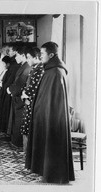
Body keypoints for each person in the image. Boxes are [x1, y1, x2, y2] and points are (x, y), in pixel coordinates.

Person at [26, 42, 75, 183]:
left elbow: (54, 100)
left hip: (52, 118)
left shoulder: (56, 72)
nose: (40, 57)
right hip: (45, 115)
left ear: (51, 54)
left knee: (51, 144)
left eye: (42, 54)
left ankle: (51, 175)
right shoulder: (50, 69)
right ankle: (44, 172)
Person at [20, 47, 44, 153]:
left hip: (33, 103)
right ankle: (27, 153)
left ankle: (29, 154)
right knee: (26, 128)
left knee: (30, 129)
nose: (28, 60)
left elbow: (34, 87)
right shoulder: (35, 68)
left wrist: (25, 94)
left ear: (36, 57)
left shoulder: (40, 69)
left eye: (29, 57)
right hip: (29, 102)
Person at [7, 46, 31, 148]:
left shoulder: (26, 67)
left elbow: (20, 83)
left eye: (17, 55)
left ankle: (19, 143)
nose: (15, 58)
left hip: (21, 99)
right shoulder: (23, 66)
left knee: (19, 121)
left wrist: (10, 90)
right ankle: (17, 142)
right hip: (17, 97)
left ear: (23, 56)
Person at [0, 44, 20, 133]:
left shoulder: (14, 64)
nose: (8, 52)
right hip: (5, 87)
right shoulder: (12, 62)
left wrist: (4, 84)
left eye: (9, 50)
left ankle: (4, 128)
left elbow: (11, 78)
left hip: (8, 88)